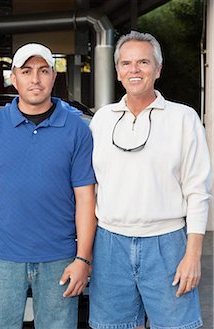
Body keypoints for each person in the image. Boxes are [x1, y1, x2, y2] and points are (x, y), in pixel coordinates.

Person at [0, 43, 97, 329]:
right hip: (3, 258)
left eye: (43, 71)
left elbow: (86, 198)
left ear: (53, 77)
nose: (35, 79)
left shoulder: (77, 130)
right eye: (27, 71)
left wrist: (83, 257)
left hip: (60, 258)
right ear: (14, 78)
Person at [89, 31, 212, 329]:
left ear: (157, 69)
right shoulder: (101, 120)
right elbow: (88, 188)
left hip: (167, 244)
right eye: (127, 63)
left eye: (143, 62)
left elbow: (198, 190)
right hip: (108, 243)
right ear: (117, 71)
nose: (134, 70)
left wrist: (192, 255)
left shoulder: (183, 118)